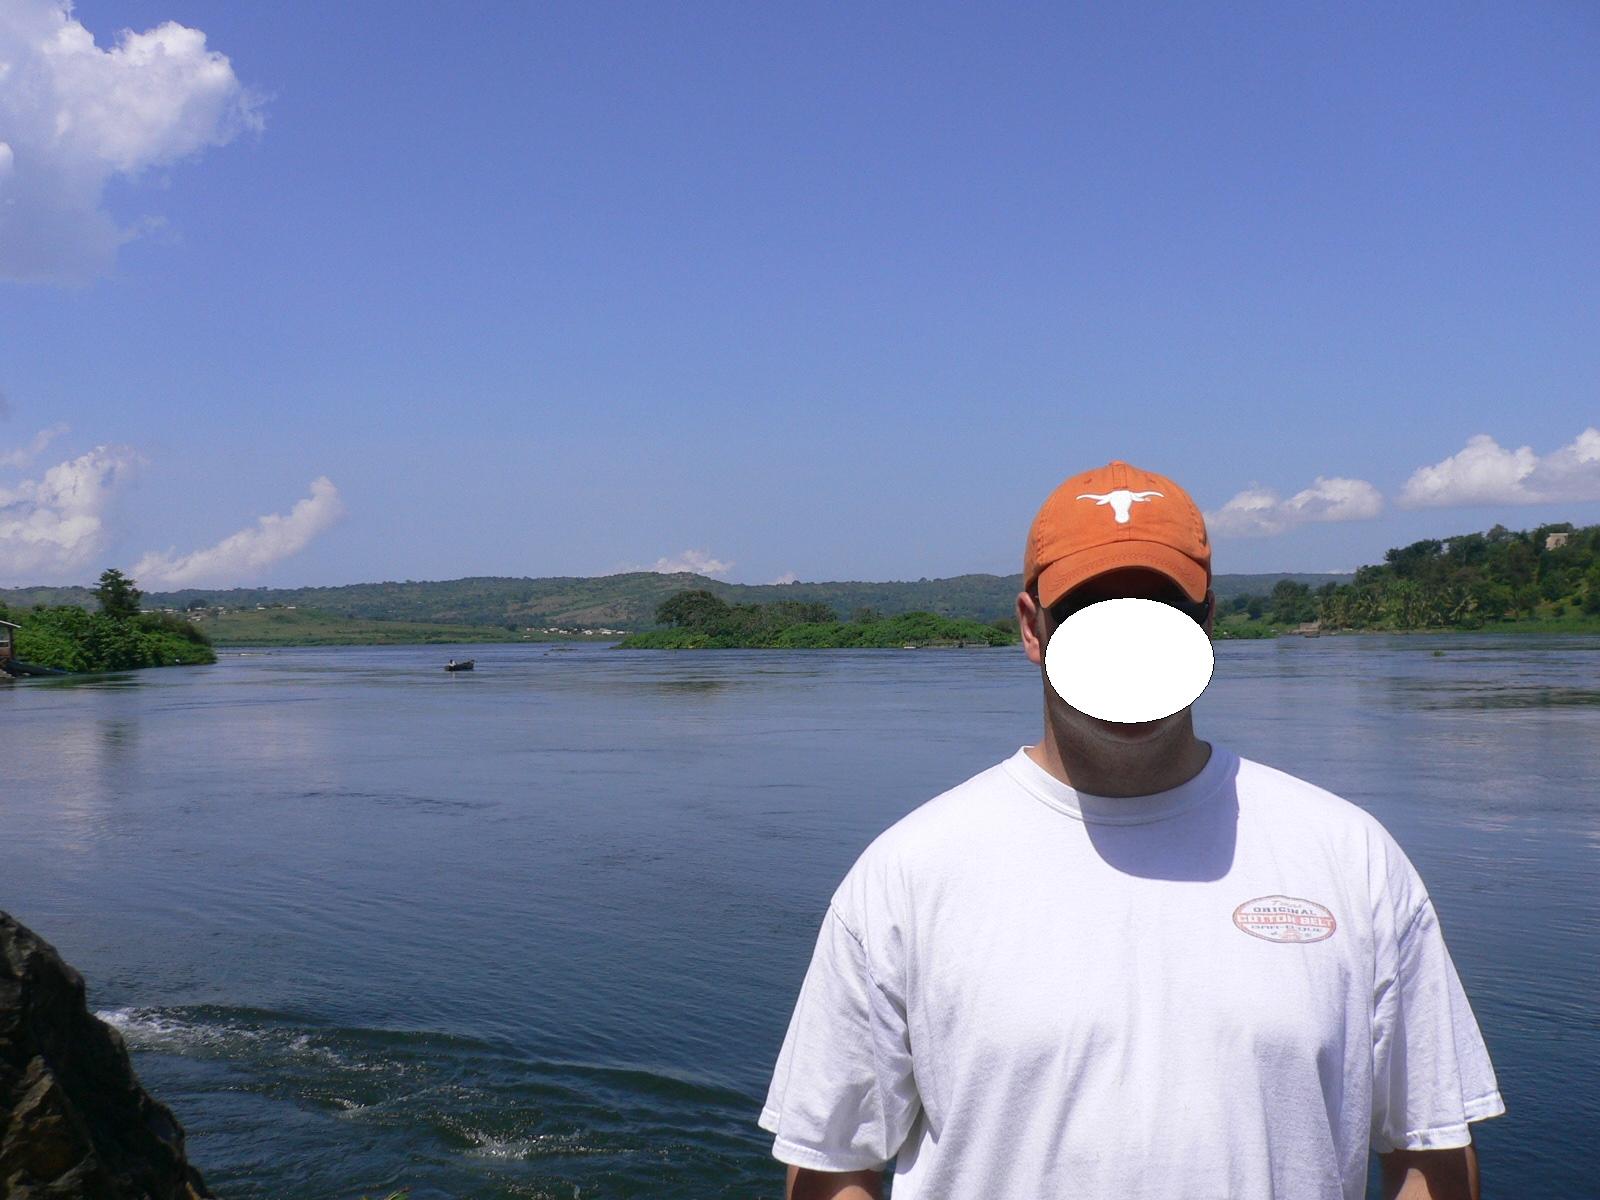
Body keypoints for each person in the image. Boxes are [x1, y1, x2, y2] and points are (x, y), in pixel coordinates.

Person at [757, 460, 1504, 1200]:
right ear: (1032, 628)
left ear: (1206, 623)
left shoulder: (1351, 858)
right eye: (1091, 611)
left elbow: (1429, 1150)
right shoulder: (906, 876)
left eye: (1159, 610)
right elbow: (834, 1165)